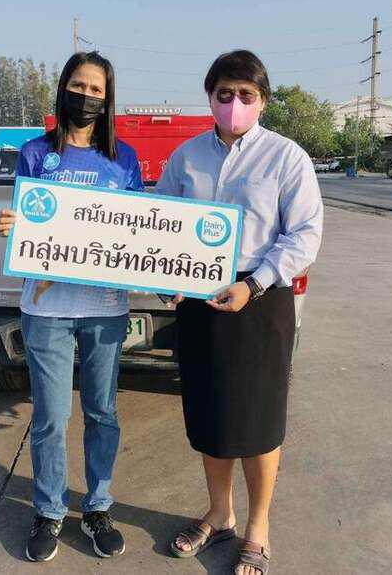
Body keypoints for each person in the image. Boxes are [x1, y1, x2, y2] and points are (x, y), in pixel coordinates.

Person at [156, 50, 323, 575]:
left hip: (260, 302)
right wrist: (165, 278)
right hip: (200, 303)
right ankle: (219, 513)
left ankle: (258, 526)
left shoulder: (286, 157)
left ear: (262, 101)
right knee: (210, 416)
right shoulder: (185, 158)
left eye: (245, 95)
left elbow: (305, 234)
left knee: (258, 420)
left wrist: (254, 283)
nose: (234, 104)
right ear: (209, 97)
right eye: (224, 94)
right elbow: (161, 221)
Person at [0, 51, 144, 563]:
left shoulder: (123, 158)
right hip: (46, 309)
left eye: (97, 89)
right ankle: (49, 510)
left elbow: (141, 229)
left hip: (105, 308)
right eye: (79, 86)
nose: (87, 96)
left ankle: (98, 507)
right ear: (63, 89)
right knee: (51, 418)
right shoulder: (36, 153)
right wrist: (13, 228)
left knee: (103, 412)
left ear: (108, 99)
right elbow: (27, 218)